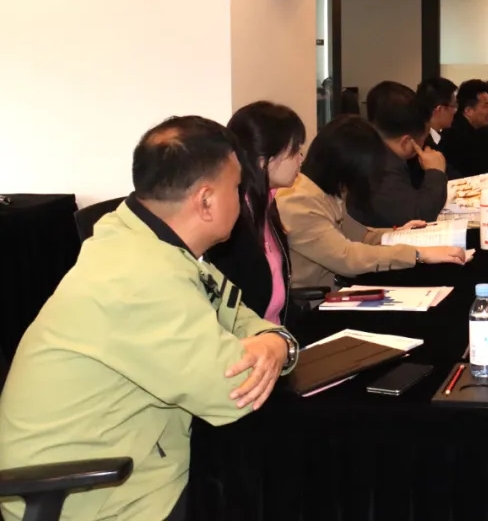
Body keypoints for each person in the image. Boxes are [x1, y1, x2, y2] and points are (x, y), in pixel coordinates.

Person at [0, 116, 299, 521]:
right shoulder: (136, 275)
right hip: (96, 496)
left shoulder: (150, 241)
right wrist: (276, 345)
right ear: (206, 201)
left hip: (135, 460)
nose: (242, 196)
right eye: (236, 187)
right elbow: (233, 391)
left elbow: (238, 314)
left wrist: (275, 343)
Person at [275, 115, 466, 289]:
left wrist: (398, 235)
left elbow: (362, 236)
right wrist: (417, 253)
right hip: (316, 303)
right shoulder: (298, 201)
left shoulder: (325, 191)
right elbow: (348, 257)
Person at [205, 102, 306, 324]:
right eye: (294, 151)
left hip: (276, 334)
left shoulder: (267, 205)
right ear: (263, 161)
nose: (301, 158)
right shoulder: (231, 221)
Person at [355, 82, 449, 228]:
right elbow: (419, 218)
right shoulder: (382, 170)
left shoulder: (370, 148)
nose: (424, 144)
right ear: (406, 142)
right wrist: (435, 172)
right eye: (423, 139)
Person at [417, 76, 457, 150]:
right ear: (439, 110)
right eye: (453, 106)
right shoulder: (422, 144)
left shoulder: (442, 137)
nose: (455, 111)